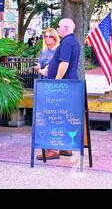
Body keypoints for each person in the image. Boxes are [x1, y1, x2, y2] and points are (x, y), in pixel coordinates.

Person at [37, 18, 80, 161]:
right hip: (69, 85)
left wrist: (56, 82)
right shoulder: (74, 41)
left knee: (53, 116)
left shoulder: (67, 42)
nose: (58, 28)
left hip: (61, 87)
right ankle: (65, 147)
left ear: (66, 28)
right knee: (64, 115)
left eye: (59, 27)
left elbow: (64, 63)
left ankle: (52, 149)